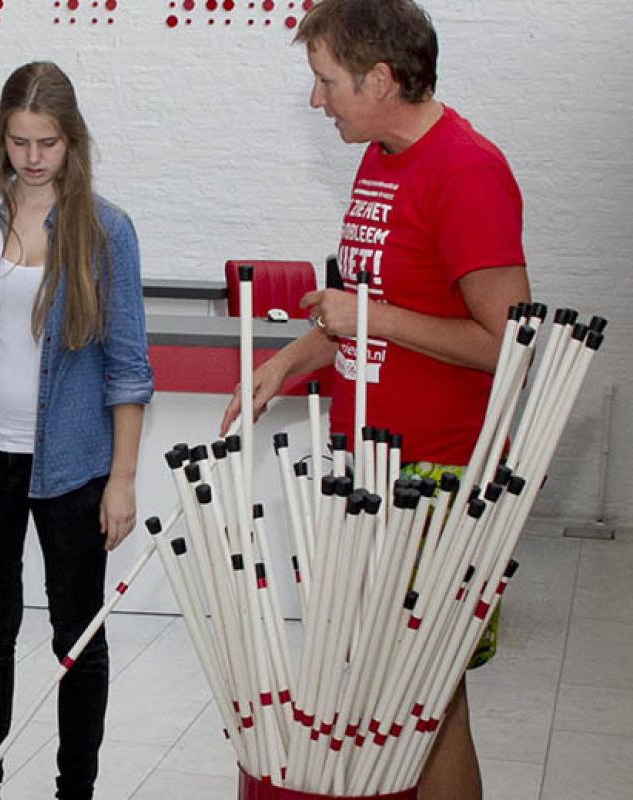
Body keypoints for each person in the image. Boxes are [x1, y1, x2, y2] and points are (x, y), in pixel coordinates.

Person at [220, 2, 530, 798]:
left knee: (425, 702)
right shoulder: (382, 156)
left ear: (381, 78)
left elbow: (510, 344)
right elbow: (365, 311)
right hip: (373, 468)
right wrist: (287, 361)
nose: (317, 101)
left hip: (439, 478)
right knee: (404, 702)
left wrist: (371, 317)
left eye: (325, 83)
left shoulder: (465, 169)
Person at [0, 62, 153, 800]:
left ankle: (73, 791)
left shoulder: (105, 229)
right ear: (1, 139)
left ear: (71, 141)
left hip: (74, 466)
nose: (31, 157)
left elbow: (127, 369)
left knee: (75, 640)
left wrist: (121, 479)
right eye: (18, 140)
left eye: (46, 142)